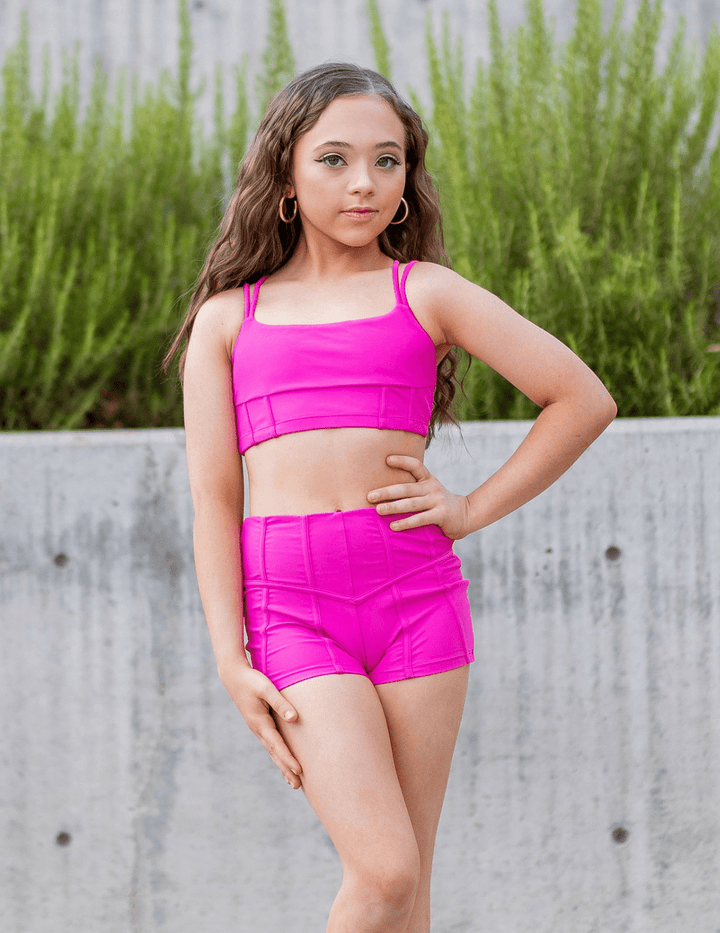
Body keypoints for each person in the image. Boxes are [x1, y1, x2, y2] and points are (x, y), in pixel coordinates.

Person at [164, 62, 616, 933]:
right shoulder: (229, 320)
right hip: (292, 613)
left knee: (410, 892)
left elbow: (582, 398)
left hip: (417, 602)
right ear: (286, 176)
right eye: (333, 159)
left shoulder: (428, 293)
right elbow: (214, 499)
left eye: (387, 159)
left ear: (410, 178)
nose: (364, 182)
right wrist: (231, 657)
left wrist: (470, 509)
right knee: (382, 870)